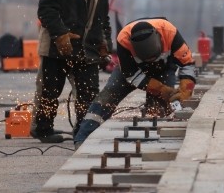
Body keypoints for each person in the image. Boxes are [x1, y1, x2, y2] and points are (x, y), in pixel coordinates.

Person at [31, 0, 113, 143]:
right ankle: (43, 129)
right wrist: (61, 35)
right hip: (55, 50)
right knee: (49, 91)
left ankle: (83, 129)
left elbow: (103, 19)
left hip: (87, 52)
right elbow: (46, 10)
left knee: (88, 94)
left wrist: (106, 44)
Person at [73, 18, 197, 147]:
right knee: (108, 96)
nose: (151, 61)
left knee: (158, 110)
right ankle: (82, 137)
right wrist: (162, 90)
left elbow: (187, 63)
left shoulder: (170, 32)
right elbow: (132, 76)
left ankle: (152, 142)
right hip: (132, 70)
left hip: (163, 69)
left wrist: (186, 90)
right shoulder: (123, 39)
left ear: (159, 39)